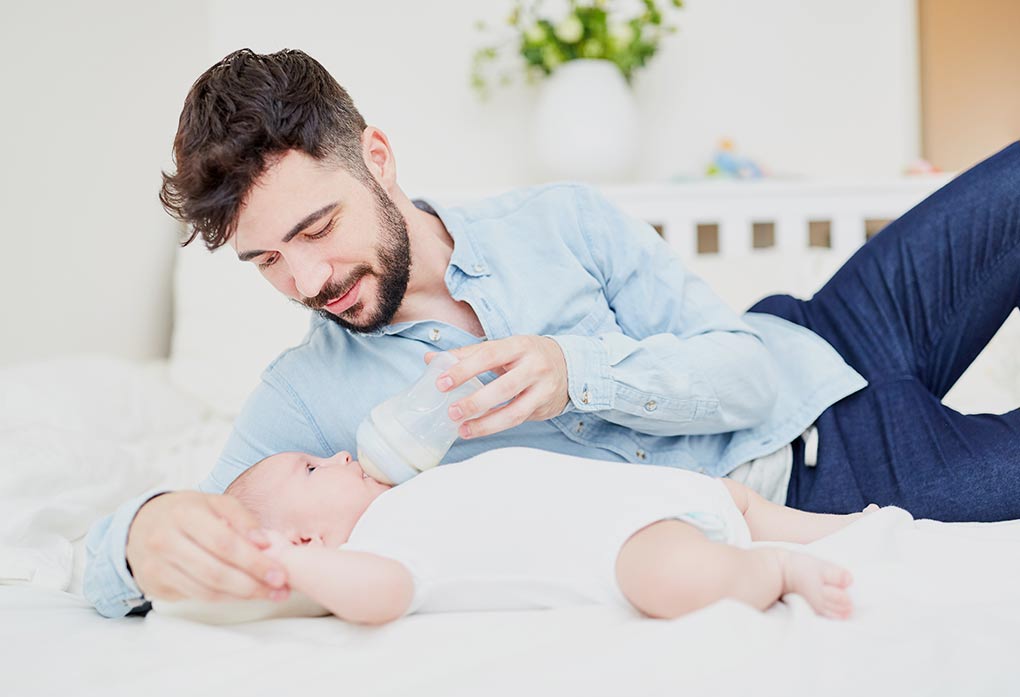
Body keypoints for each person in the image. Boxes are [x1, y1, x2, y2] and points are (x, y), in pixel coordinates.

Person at [84, 48, 1020, 619]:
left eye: (317, 230)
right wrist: (140, 536)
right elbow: (200, 536)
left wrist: (582, 373)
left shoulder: (561, 222)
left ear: (376, 158)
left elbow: (748, 372)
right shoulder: (303, 398)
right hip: (826, 478)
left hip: (821, 333)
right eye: (265, 264)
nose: (306, 281)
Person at [219, 447, 877, 624]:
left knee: (747, 506)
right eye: (312, 468)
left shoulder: (407, 489)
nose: (337, 456)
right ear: (305, 545)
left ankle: (860, 530)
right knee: (668, 579)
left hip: (662, 492)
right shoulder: (378, 548)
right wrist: (287, 568)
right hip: (628, 545)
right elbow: (382, 595)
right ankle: (777, 570)